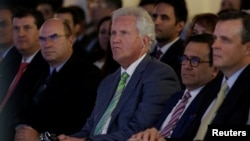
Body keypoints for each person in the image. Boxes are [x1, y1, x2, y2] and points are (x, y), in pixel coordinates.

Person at [57, 7, 181, 141]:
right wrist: (66, 139)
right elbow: (89, 128)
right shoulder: (108, 81)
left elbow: (139, 130)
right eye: (113, 33)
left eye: (124, 33)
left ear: (144, 41)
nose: (115, 39)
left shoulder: (160, 75)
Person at [14, 18, 102, 141]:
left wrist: (40, 137)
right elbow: (20, 106)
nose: (47, 44)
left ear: (70, 40)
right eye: (42, 39)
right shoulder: (37, 69)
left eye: (54, 37)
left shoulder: (88, 74)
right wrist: (21, 128)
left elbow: (80, 124)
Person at [128, 34, 223, 141]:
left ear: (215, 69)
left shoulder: (214, 102)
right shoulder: (175, 98)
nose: (186, 66)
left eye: (195, 60)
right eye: (184, 58)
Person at [193, 10, 250, 141]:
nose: (214, 46)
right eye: (214, 39)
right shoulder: (214, 85)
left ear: (247, 48)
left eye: (225, 40)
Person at [0, 8, 48, 141]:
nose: (20, 34)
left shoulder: (46, 66)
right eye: (16, 28)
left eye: (27, 28)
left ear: (40, 31)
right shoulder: (11, 60)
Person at [150, 0, 188, 88]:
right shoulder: (149, 54)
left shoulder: (184, 56)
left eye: (164, 18)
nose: (156, 22)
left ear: (180, 26)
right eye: (154, 16)